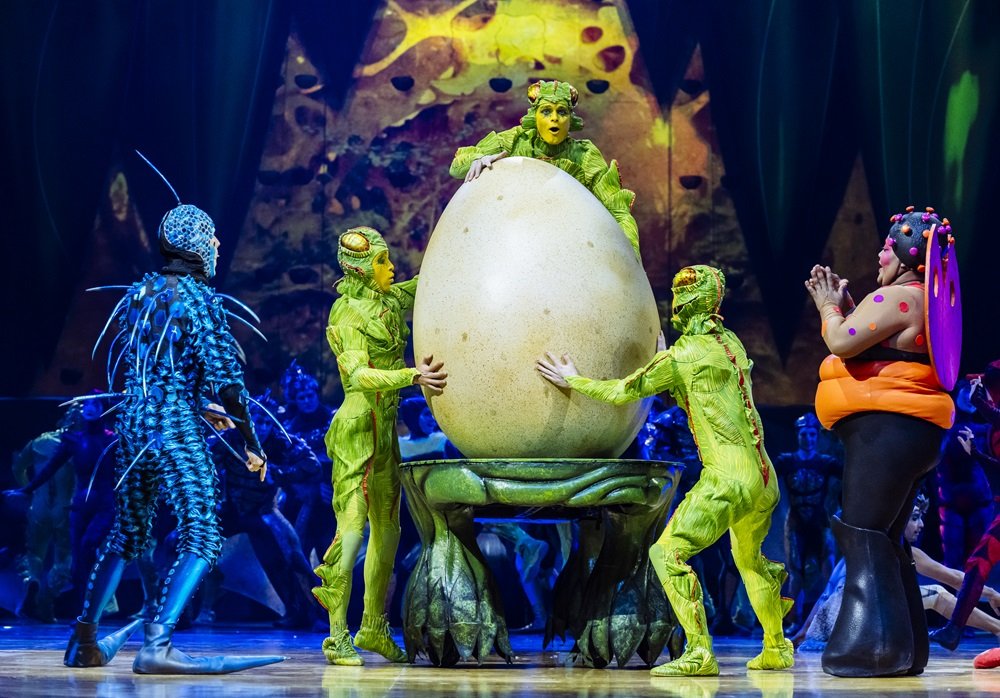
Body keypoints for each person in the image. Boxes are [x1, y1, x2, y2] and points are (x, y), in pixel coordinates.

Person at [60, 156, 283, 674]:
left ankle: (83, 641)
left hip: (136, 426)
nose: (219, 246)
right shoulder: (200, 298)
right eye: (213, 238)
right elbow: (229, 382)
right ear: (197, 244)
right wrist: (252, 443)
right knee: (202, 534)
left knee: (128, 533)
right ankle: (157, 644)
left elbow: (155, 370)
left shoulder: (140, 293)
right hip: (173, 428)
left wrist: (198, 405)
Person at [537, 265, 793, 676]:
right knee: (749, 561)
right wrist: (664, 358)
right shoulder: (729, 341)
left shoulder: (683, 357)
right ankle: (776, 646)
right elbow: (700, 386)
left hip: (727, 477)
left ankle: (699, 652)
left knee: (667, 552)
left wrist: (575, 380)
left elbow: (624, 390)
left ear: (686, 305)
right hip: (763, 476)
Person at [805, 205, 956, 677]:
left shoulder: (898, 297)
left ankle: (864, 649)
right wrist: (854, 308)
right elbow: (877, 342)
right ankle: (904, 650)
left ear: (908, 255)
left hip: (885, 430)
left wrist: (828, 306)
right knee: (886, 540)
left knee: (863, 535)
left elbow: (840, 342)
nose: (880, 254)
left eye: (888, 247)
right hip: (913, 434)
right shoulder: (927, 301)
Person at [312, 226, 447, 665]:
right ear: (361, 270)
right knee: (352, 533)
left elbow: (427, 282)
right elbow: (358, 377)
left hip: (386, 428)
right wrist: (413, 376)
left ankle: (373, 627)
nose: (391, 268)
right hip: (357, 429)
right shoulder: (346, 313)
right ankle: (337, 636)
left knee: (388, 531)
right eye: (381, 262)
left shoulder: (389, 300)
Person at [450, 80, 640, 261]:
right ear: (535, 116)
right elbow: (457, 167)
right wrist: (477, 159)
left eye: (562, 112)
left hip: (569, 248)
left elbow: (617, 210)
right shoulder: (515, 140)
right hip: (512, 243)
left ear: (570, 119)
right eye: (546, 111)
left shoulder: (585, 155)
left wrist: (632, 259)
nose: (554, 118)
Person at [797, 495, 1000, 651]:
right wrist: (992, 594)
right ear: (899, 520)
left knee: (917, 595)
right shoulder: (886, 547)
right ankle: (997, 628)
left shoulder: (867, 548)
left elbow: (825, 596)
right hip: (852, 620)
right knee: (936, 594)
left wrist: (804, 633)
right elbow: (954, 579)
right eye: (915, 518)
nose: (921, 525)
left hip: (849, 621)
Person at [772, 412, 841, 631]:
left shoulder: (825, 463)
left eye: (812, 434)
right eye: (804, 434)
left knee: (829, 569)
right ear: (797, 435)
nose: (808, 439)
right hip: (796, 523)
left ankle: (832, 618)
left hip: (820, 523)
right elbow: (767, 479)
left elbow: (849, 480)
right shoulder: (787, 461)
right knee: (796, 572)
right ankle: (794, 620)